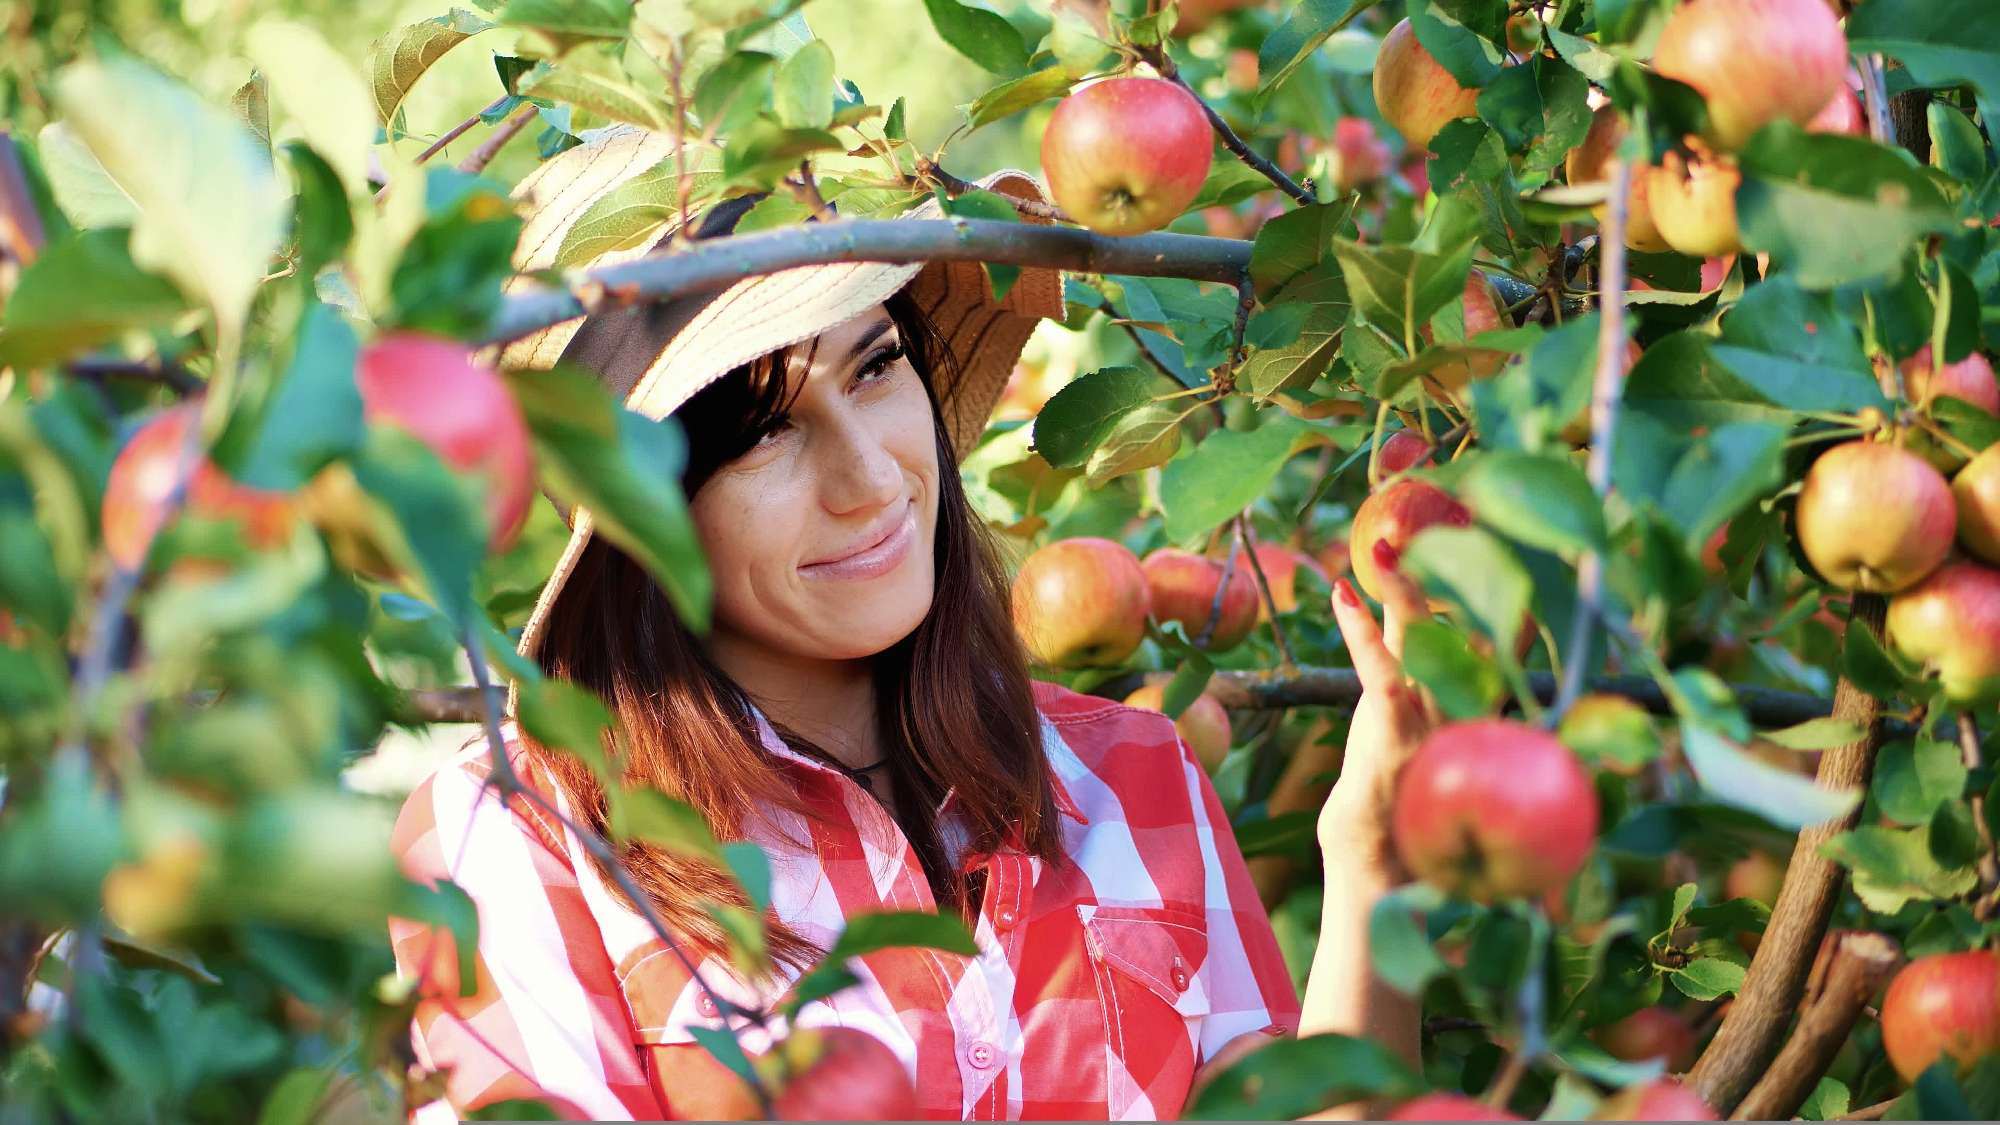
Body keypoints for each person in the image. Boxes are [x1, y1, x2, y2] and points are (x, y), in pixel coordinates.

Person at [387, 126, 1432, 1122]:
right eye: (763, 432)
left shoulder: (1127, 780)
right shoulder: (527, 844)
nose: (871, 476)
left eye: (875, 366)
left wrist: (1374, 862)